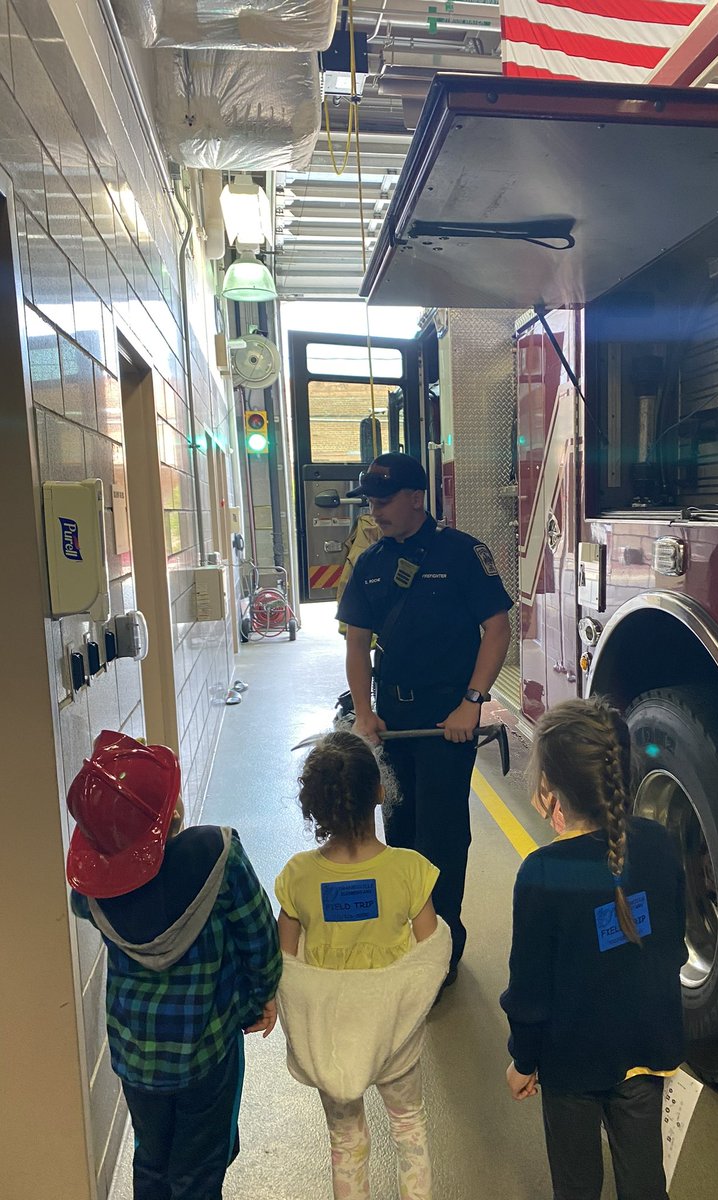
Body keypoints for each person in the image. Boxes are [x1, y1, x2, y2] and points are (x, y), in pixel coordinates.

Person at [67, 730, 282, 1200]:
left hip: (135, 1056)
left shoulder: (93, 893)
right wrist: (261, 995)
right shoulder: (217, 855)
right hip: (207, 1051)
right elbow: (258, 933)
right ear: (171, 811)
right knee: (200, 1166)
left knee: (151, 1158)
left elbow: (83, 903)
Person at [337, 451, 513, 985]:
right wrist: (365, 714)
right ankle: (411, 937)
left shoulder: (462, 554)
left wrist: (472, 702)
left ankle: (443, 951)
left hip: (446, 723)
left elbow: (498, 630)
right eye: (370, 501)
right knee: (401, 834)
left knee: (441, 837)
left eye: (384, 500)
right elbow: (357, 644)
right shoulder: (369, 563)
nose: (376, 510)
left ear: (417, 498)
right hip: (392, 725)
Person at [500, 699, 687, 1200]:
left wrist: (523, 1059)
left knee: (577, 1183)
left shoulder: (542, 873)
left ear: (552, 786)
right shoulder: (658, 843)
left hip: (570, 1062)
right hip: (646, 1048)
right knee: (646, 1180)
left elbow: (530, 989)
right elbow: (674, 943)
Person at [274, 730, 451, 1200]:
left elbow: (286, 965)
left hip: (331, 1035)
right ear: (380, 790)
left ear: (316, 806)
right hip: (394, 1034)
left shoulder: (297, 876)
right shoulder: (411, 869)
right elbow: (430, 954)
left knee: (346, 1142)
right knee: (409, 1127)